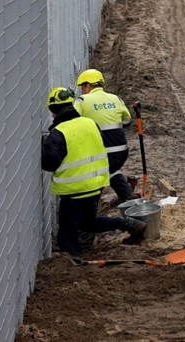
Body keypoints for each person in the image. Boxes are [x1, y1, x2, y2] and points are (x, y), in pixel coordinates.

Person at [41, 87, 146, 255]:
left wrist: (43, 146)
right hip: (96, 185)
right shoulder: (91, 123)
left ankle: (75, 262)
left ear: (53, 110)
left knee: (67, 236)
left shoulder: (58, 133)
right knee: (87, 224)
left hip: (73, 190)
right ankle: (127, 224)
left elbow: (49, 164)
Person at [74, 69, 138, 205]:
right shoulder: (115, 98)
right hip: (121, 152)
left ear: (87, 85)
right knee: (110, 169)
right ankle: (127, 195)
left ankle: (92, 207)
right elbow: (127, 121)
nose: (82, 91)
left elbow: (73, 124)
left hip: (100, 153)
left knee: (96, 176)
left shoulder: (82, 101)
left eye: (82, 87)